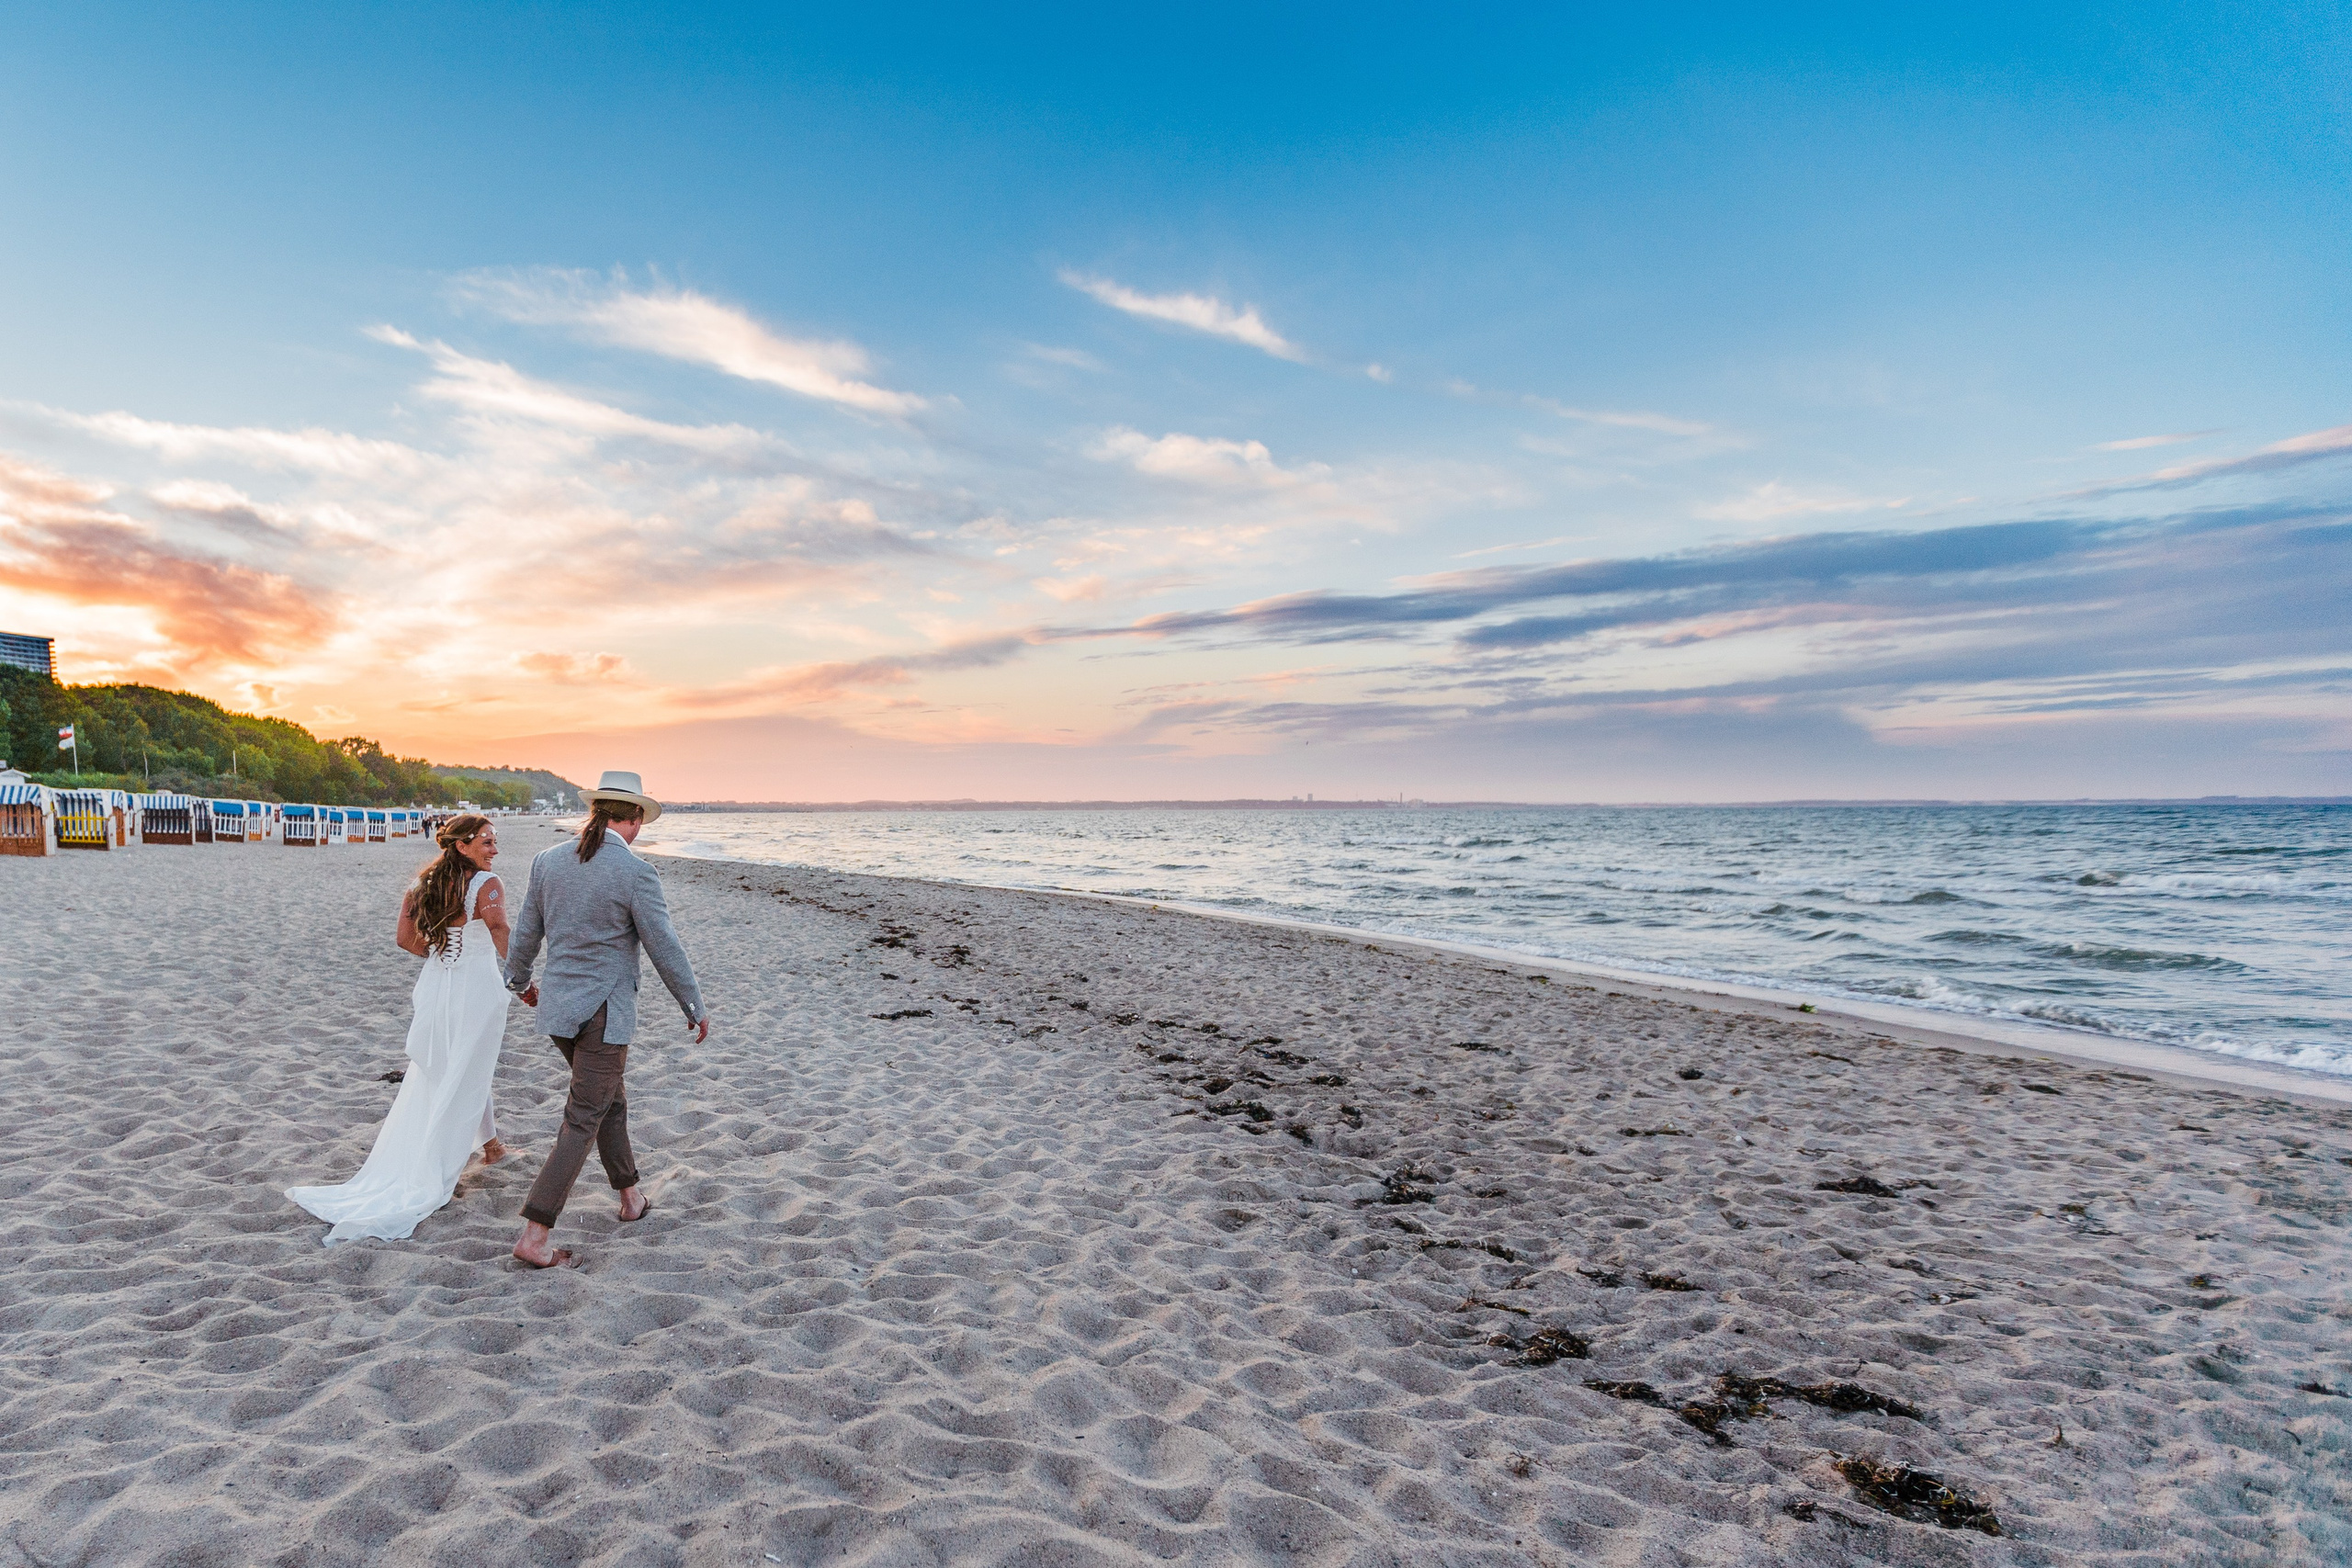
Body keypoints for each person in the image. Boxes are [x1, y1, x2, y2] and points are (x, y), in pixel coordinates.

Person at [503, 770, 710, 1268]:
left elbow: (527, 933)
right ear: (634, 819)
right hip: (603, 1015)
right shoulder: (635, 872)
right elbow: (665, 947)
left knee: (607, 1103)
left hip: (558, 1011)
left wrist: (519, 982)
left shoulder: (547, 862)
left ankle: (630, 1197)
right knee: (582, 1117)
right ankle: (534, 1235)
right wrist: (693, 1004)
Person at [287, 814, 513, 1243]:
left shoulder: (422, 884)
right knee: (471, 1064)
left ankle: (493, 1146)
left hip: (439, 984)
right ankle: (476, 1150)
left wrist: (443, 953)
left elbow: (405, 939)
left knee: (454, 1062)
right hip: (476, 987)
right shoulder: (488, 884)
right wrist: (522, 977)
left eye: (494, 842)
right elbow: (499, 928)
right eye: (486, 841)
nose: (494, 850)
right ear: (462, 845)